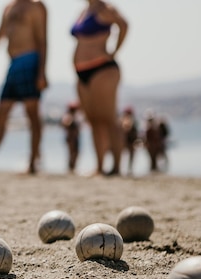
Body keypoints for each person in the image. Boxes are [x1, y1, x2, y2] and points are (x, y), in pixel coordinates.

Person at [0, 0, 48, 175]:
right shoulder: (8, 8)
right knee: (1, 113)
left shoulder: (36, 6)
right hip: (13, 64)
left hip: (30, 61)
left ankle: (33, 163)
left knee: (32, 114)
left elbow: (42, 40)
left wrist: (41, 72)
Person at [71, 0, 128, 176]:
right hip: (82, 72)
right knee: (93, 120)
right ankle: (100, 166)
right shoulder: (84, 11)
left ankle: (117, 167)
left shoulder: (106, 9)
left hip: (102, 68)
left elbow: (124, 25)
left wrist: (114, 50)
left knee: (109, 118)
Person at [61, 102, 81, 173]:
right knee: (72, 153)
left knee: (75, 153)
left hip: (74, 138)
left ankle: (72, 167)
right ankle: (71, 167)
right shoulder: (69, 116)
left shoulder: (75, 116)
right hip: (71, 138)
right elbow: (65, 124)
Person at [120, 106, 138, 175]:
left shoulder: (133, 122)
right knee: (123, 156)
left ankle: (129, 170)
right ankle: (125, 169)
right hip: (125, 142)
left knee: (131, 157)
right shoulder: (123, 121)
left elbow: (135, 133)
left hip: (131, 142)